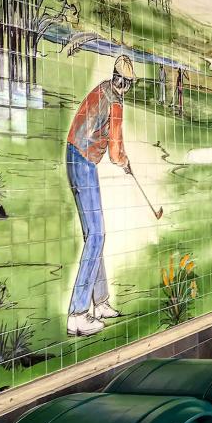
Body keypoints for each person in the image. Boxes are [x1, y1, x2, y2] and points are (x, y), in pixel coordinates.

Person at [65, 55, 136, 336]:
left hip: (74, 155)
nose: (122, 85)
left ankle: (101, 302)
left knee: (95, 233)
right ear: (126, 83)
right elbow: (115, 150)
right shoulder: (116, 102)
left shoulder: (102, 88)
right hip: (82, 160)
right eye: (124, 81)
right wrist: (125, 163)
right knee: (96, 235)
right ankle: (78, 315)